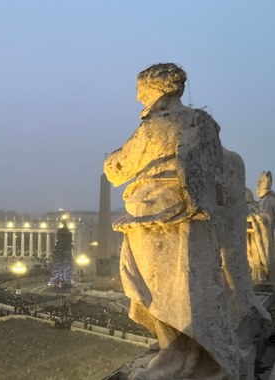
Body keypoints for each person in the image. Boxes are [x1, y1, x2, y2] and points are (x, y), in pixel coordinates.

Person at [103, 63, 238, 379]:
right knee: (191, 288)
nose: (139, 99)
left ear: (158, 90)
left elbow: (117, 168)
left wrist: (110, 159)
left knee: (150, 287)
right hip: (195, 218)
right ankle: (191, 352)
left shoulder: (155, 126)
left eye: (141, 92)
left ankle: (176, 356)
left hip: (155, 218)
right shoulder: (204, 123)